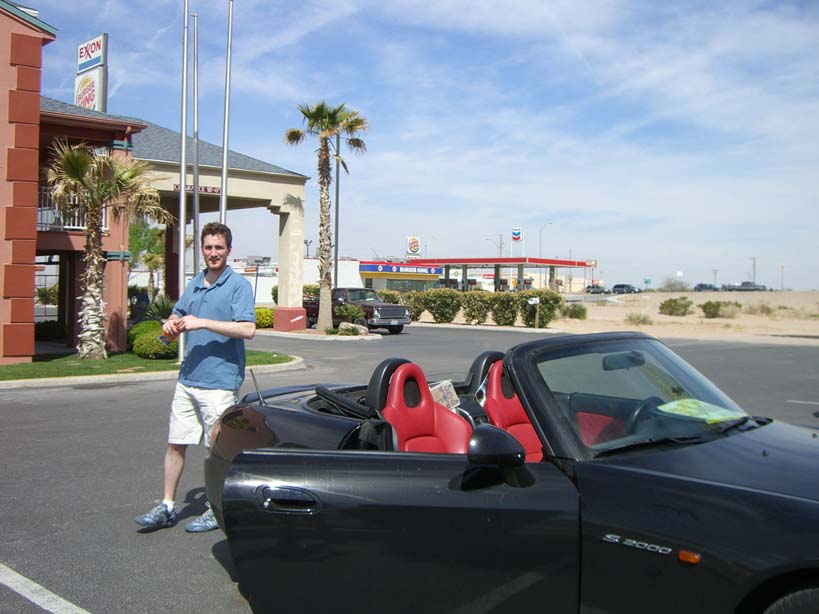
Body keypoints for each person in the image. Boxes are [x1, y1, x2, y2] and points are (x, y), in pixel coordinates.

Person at [135, 222, 256, 532]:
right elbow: (178, 313)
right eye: (208, 247)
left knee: (216, 451)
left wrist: (203, 322)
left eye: (219, 247)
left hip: (220, 383)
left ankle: (216, 509)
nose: (213, 253)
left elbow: (247, 329)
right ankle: (167, 506)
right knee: (176, 443)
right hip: (188, 379)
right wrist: (171, 323)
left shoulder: (238, 285)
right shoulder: (195, 283)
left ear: (229, 250)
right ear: (202, 249)